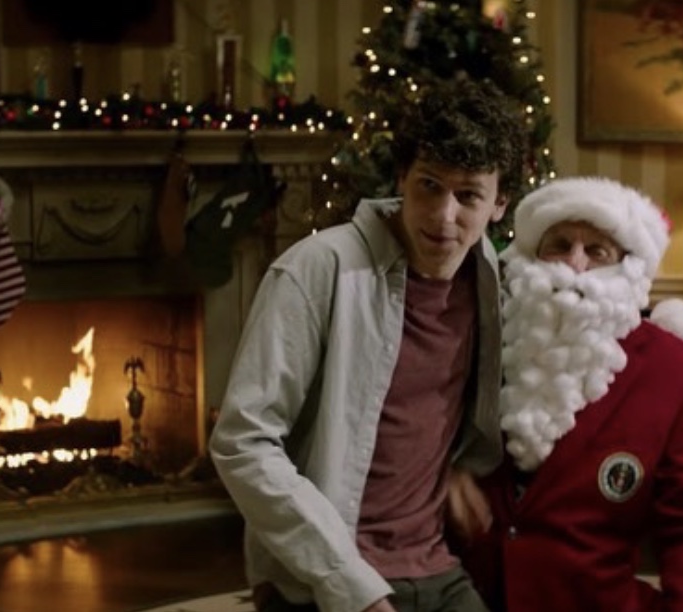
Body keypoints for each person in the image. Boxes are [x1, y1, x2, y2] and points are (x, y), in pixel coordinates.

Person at [208, 77, 528, 612]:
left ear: (500, 204)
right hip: (322, 579)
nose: (444, 216)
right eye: (429, 185)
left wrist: (460, 467)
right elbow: (242, 442)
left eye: (468, 195)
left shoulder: (488, 275)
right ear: (401, 177)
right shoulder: (316, 270)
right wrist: (348, 583)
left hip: (434, 564)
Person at [458, 176, 683, 610]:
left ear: (628, 267)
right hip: (466, 597)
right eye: (559, 245)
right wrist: (447, 473)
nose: (575, 264)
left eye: (597, 251)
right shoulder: (480, 341)